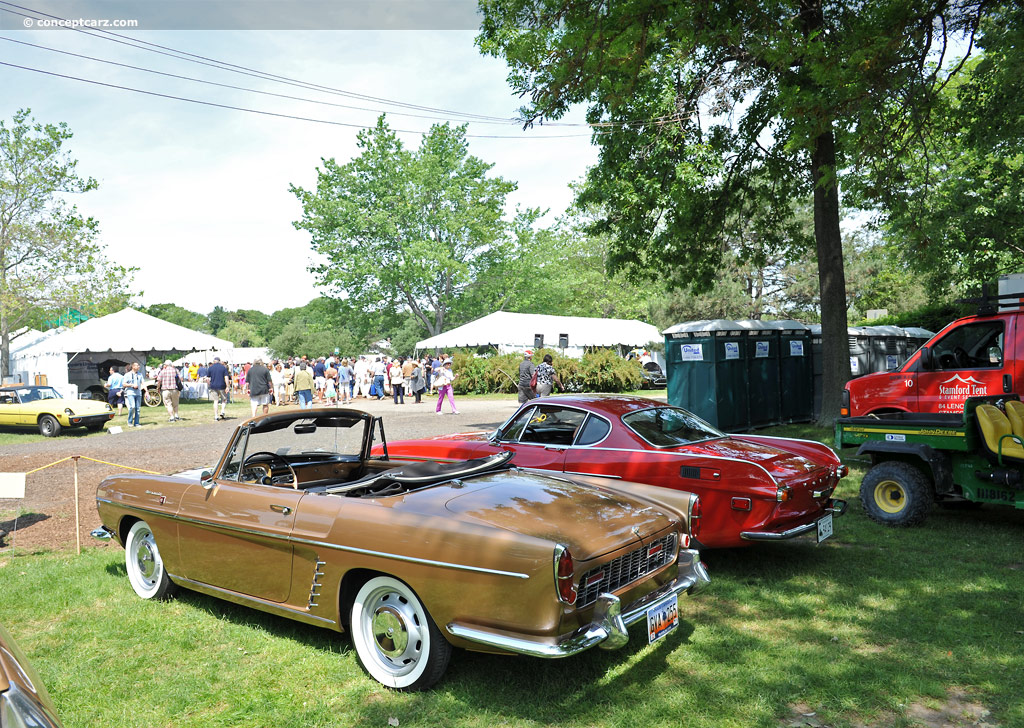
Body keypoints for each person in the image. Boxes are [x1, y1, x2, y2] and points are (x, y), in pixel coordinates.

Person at [207, 356, 232, 420]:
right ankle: (222, 411)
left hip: (213, 386)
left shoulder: (210, 368)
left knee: (216, 401)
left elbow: (208, 378)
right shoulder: (223, 368)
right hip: (222, 386)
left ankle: (216, 416)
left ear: (214, 361)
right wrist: (228, 386)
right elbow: (226, 378)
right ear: (219, 361)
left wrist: (209, 384)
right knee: (224, 399)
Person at [122, 362, 143, 428]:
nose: (139, 366)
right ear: (133, 366)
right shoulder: (127, 375)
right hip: (130, 393)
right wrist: (132, 385)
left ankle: (136, 423)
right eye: (137, 365)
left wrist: (147, 391)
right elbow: (124, 384)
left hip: (138, 393)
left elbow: (143, 383)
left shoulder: (140, 374)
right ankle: (130, 421)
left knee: (138, 409)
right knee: (132, 406)